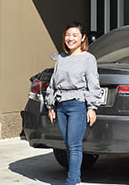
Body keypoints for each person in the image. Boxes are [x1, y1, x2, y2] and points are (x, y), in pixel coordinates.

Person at [45, 21, 104, 185]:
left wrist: (92, 108)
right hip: (61, 105)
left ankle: (73, 180)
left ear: (83, 38)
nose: (70, 38)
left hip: (77, 105)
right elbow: (53, 83)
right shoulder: (61, 58)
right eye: (67, 35)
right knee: (67, 145)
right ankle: (73, 178)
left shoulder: (88, 59)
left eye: (75, 35)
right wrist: (50, 105)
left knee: (74, 145)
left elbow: (93, 84)